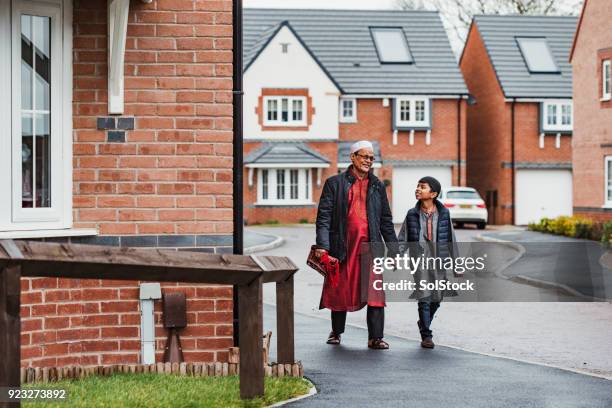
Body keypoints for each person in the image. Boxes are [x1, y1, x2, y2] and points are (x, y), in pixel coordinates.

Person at [315, 140, 398, 349]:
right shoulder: (334, 183)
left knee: (375, 291)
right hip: (342, 247)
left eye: (371, 157)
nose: (368, 161)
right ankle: (336, 332)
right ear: (352, 157)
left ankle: (375, 337)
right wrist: (323, 246)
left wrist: (394, 248)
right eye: (364, 156)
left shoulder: (378, 185)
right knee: (340, 289)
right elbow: (323, 217)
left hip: (370, 248)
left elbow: (386, 220)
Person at [398, 176, 459, 349]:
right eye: (417, 186)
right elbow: (403, 237)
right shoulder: (412, 213)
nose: (417, 189)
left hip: (439, 261)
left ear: (433, 193)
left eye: (422, 187)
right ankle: (426, 335)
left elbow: (451, 239)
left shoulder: (444, 213)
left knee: (437, 298)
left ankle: (423, 322)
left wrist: (457, 263)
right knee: (424, 298)